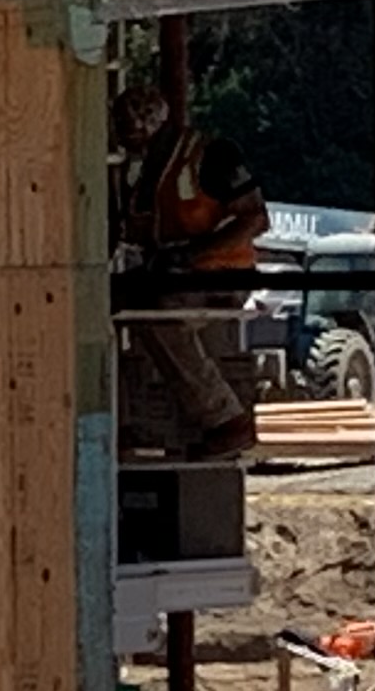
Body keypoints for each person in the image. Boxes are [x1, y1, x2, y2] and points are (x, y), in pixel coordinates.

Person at [110, 75, 268, 458]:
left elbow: (255, 219)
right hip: (173, 275)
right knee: (108, 301)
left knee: (158, 314)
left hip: (222, 274)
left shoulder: (211, 156)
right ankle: (122, 422)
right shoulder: (142, 173)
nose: (135, 148)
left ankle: (224, 418)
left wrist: (192, 254)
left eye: (138, 140)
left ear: (156, 129)